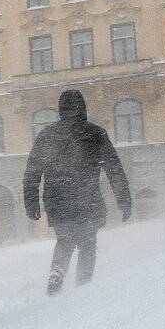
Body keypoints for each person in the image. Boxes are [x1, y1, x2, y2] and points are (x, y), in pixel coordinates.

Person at [23, 89, 132, 295]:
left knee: (64, 240)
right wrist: (123, 200)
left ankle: (56, 273)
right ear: (83, 108)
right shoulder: (95, 133)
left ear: (60, 110)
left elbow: (32, 171)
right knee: (88, 243)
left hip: (57, 200)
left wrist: (31, 202)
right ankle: (83, 286)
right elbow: (114, 169)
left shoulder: (47, 135)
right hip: (87, 197)